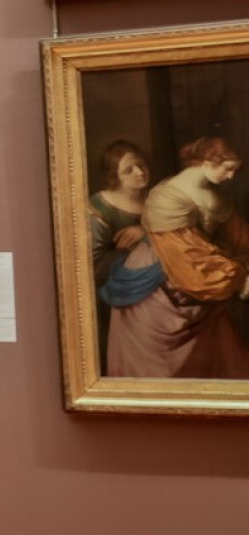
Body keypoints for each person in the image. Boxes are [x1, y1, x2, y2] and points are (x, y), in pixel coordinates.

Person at [110, 137, 249, 379]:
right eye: (228, 169)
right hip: (159, 284)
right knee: (163, 369)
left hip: (199, 275)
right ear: (207, 161)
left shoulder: (215, 196)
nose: (231, 176)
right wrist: (238, 277)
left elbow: (238, 237)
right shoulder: (168, 197)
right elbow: (188, 254)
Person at [87, 141, 164, 373]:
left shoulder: (157, 199)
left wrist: (145, 233)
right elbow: (93, 264)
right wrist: (139, 250)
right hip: (118, 295)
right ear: (115, 176)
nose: (140, 172)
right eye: (128, 170)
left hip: (156, 291)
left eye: (141, 165)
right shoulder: (99, 207)